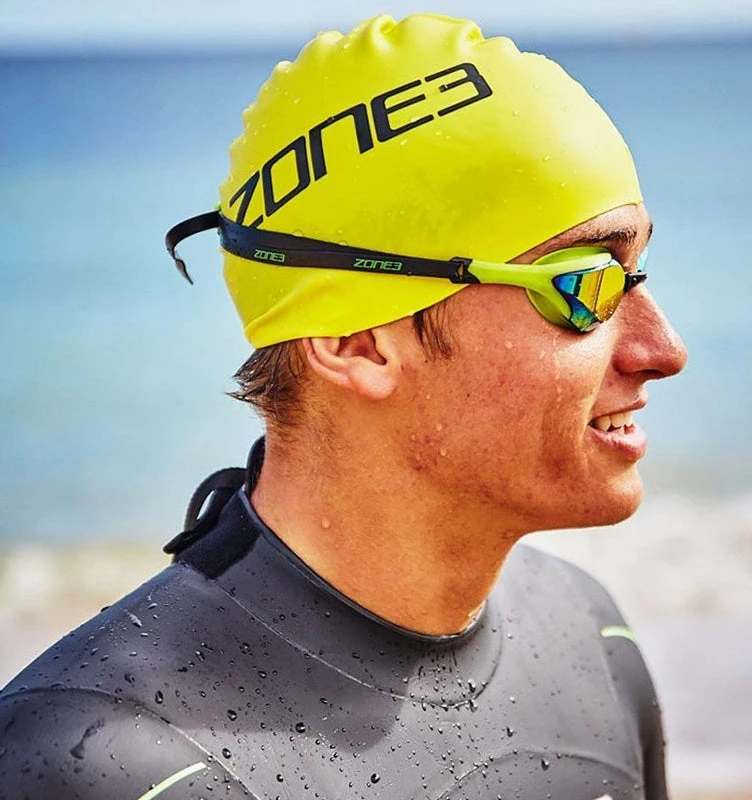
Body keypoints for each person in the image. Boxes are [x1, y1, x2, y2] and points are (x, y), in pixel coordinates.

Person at [0, 13, 686, 799]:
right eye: (585, 285)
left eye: (638, 270)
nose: (664, 349)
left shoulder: (592, 636)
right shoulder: (99, 764)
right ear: (355, 341)